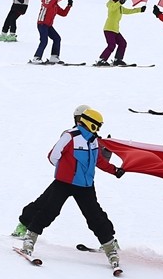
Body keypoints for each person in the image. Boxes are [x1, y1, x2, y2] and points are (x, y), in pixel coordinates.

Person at [11, 105, 123, 270]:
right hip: (64, 183)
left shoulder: (94, 141)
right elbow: (53, 155)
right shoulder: (70, 136)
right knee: (49, 211)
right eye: (97, 125)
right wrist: (64, 170)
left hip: (85, 186)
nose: (98, 129)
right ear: (88, 123)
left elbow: (98, 161)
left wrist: (114, 170)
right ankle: (29, 240)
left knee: (95, 217)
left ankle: (110, 248)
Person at [95, 0, 147, 66]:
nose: (124, 1)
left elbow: (129, 11)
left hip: (115, 30)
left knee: (123, 43)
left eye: (125, 0)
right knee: (111, 45)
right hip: (109, 29)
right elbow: (112, 8)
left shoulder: (120, 7)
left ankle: (118, 60)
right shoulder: (110, 3)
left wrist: (140, 9)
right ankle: (101, 60)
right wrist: (119, 2)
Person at [31, 0, 73, 64]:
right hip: (42, 23)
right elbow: (48, 5)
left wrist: (69, 5)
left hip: (48, 25)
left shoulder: (55, 5)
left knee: (57, 38)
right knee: (44, 41)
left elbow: (63, 13)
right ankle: (36, 57)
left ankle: (54, 56)